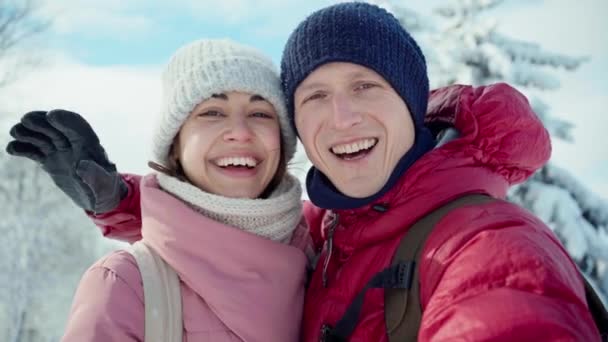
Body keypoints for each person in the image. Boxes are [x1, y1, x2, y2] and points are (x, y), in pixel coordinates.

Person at [7, 3, 602, 341]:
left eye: (365, 86)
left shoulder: (488, 249)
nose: (341, 117)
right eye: (315, 95)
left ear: (412, 104)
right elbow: (230, 230)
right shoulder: (329, 230)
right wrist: (120, 199)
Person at [7, 39, 314, 341]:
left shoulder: (325, 251)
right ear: (175, 146)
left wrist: (125, 203)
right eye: (212, 113)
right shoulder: (126, 286)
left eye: (260, 114)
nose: (240, 133)